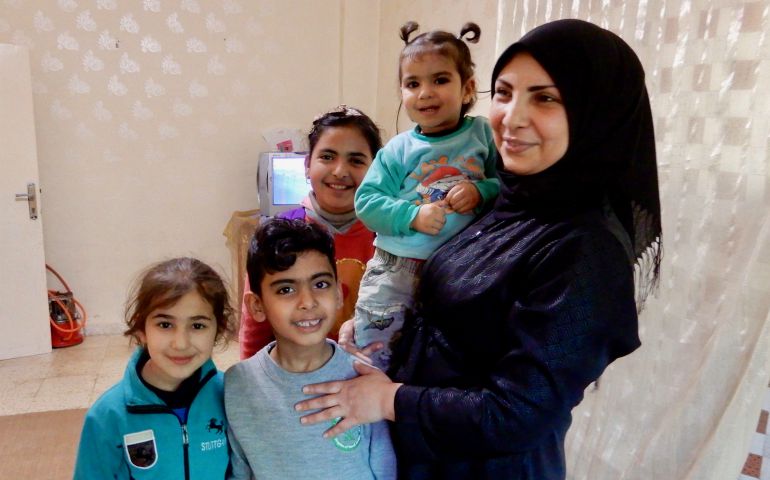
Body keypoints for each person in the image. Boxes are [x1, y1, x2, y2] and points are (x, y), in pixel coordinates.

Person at [295, 19, 662, 479]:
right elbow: (449, 304)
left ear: (597, 113)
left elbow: (518, 412)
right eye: (505, 93)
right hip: (423, 449)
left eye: (545, 98)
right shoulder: (509, 200)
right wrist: (380, 325)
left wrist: (389, 400)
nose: (513, 116)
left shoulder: (585, 252)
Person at [353, 21, 499, 370]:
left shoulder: (482, 135)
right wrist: (411, 215)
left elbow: (508, 185)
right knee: (373, 351)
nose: (425, 93)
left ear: (468, 89)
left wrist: (481, 191)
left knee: (437, 355)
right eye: (412, 84)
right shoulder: (398, 149)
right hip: (396, 268)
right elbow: (367, 202)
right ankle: (368, 413)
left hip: (460, 266)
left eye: (440, 80)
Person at [224, 218, 396, 479]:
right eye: (286, 289)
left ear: (338, 294)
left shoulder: (363, 375)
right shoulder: (238, 383)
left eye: (320, 285)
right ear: (257, 306)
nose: (308, 302)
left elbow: (384, 465)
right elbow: (241, 469)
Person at [239, 105, 383, 359]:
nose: (340, 171)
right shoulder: (275, 235)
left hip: (368, 376)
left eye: (356, 160)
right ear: (307, 165)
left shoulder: (389, 236)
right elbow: (255, 328)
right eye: (327, 157)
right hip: (293, 373)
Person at [74, 257, 234, 479]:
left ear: (218, 329)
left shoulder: (233, 396)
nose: (181, 343)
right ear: (141, 329)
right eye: (165, 325)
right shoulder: (107, 416)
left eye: (197, 326)